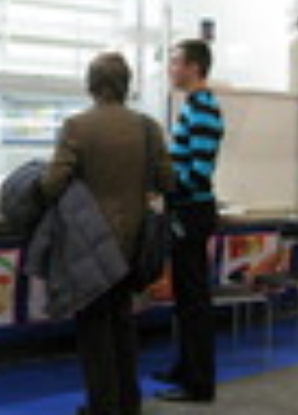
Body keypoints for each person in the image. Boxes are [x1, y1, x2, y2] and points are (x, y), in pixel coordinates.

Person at [39, 52, 173, 415]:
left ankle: (103, 406)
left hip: (90, 243)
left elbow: (52, 185)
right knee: (123, 324)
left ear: (91, 84)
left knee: (94, 328)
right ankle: (128, 403)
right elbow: (167, 180)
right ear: (126, 85)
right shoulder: (148, 127)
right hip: (133, 243)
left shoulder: (77, 126)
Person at [154, 39, 224, 404]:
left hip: (192, 213)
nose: (171, 69)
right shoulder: (194, 106)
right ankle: (183, 369)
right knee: (184, 298)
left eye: (175, 62)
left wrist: (164, 185)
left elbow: (198, 174)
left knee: (195, 302)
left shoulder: (204, 109)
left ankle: (199, 384)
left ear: (194, 67)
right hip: (185, 211)